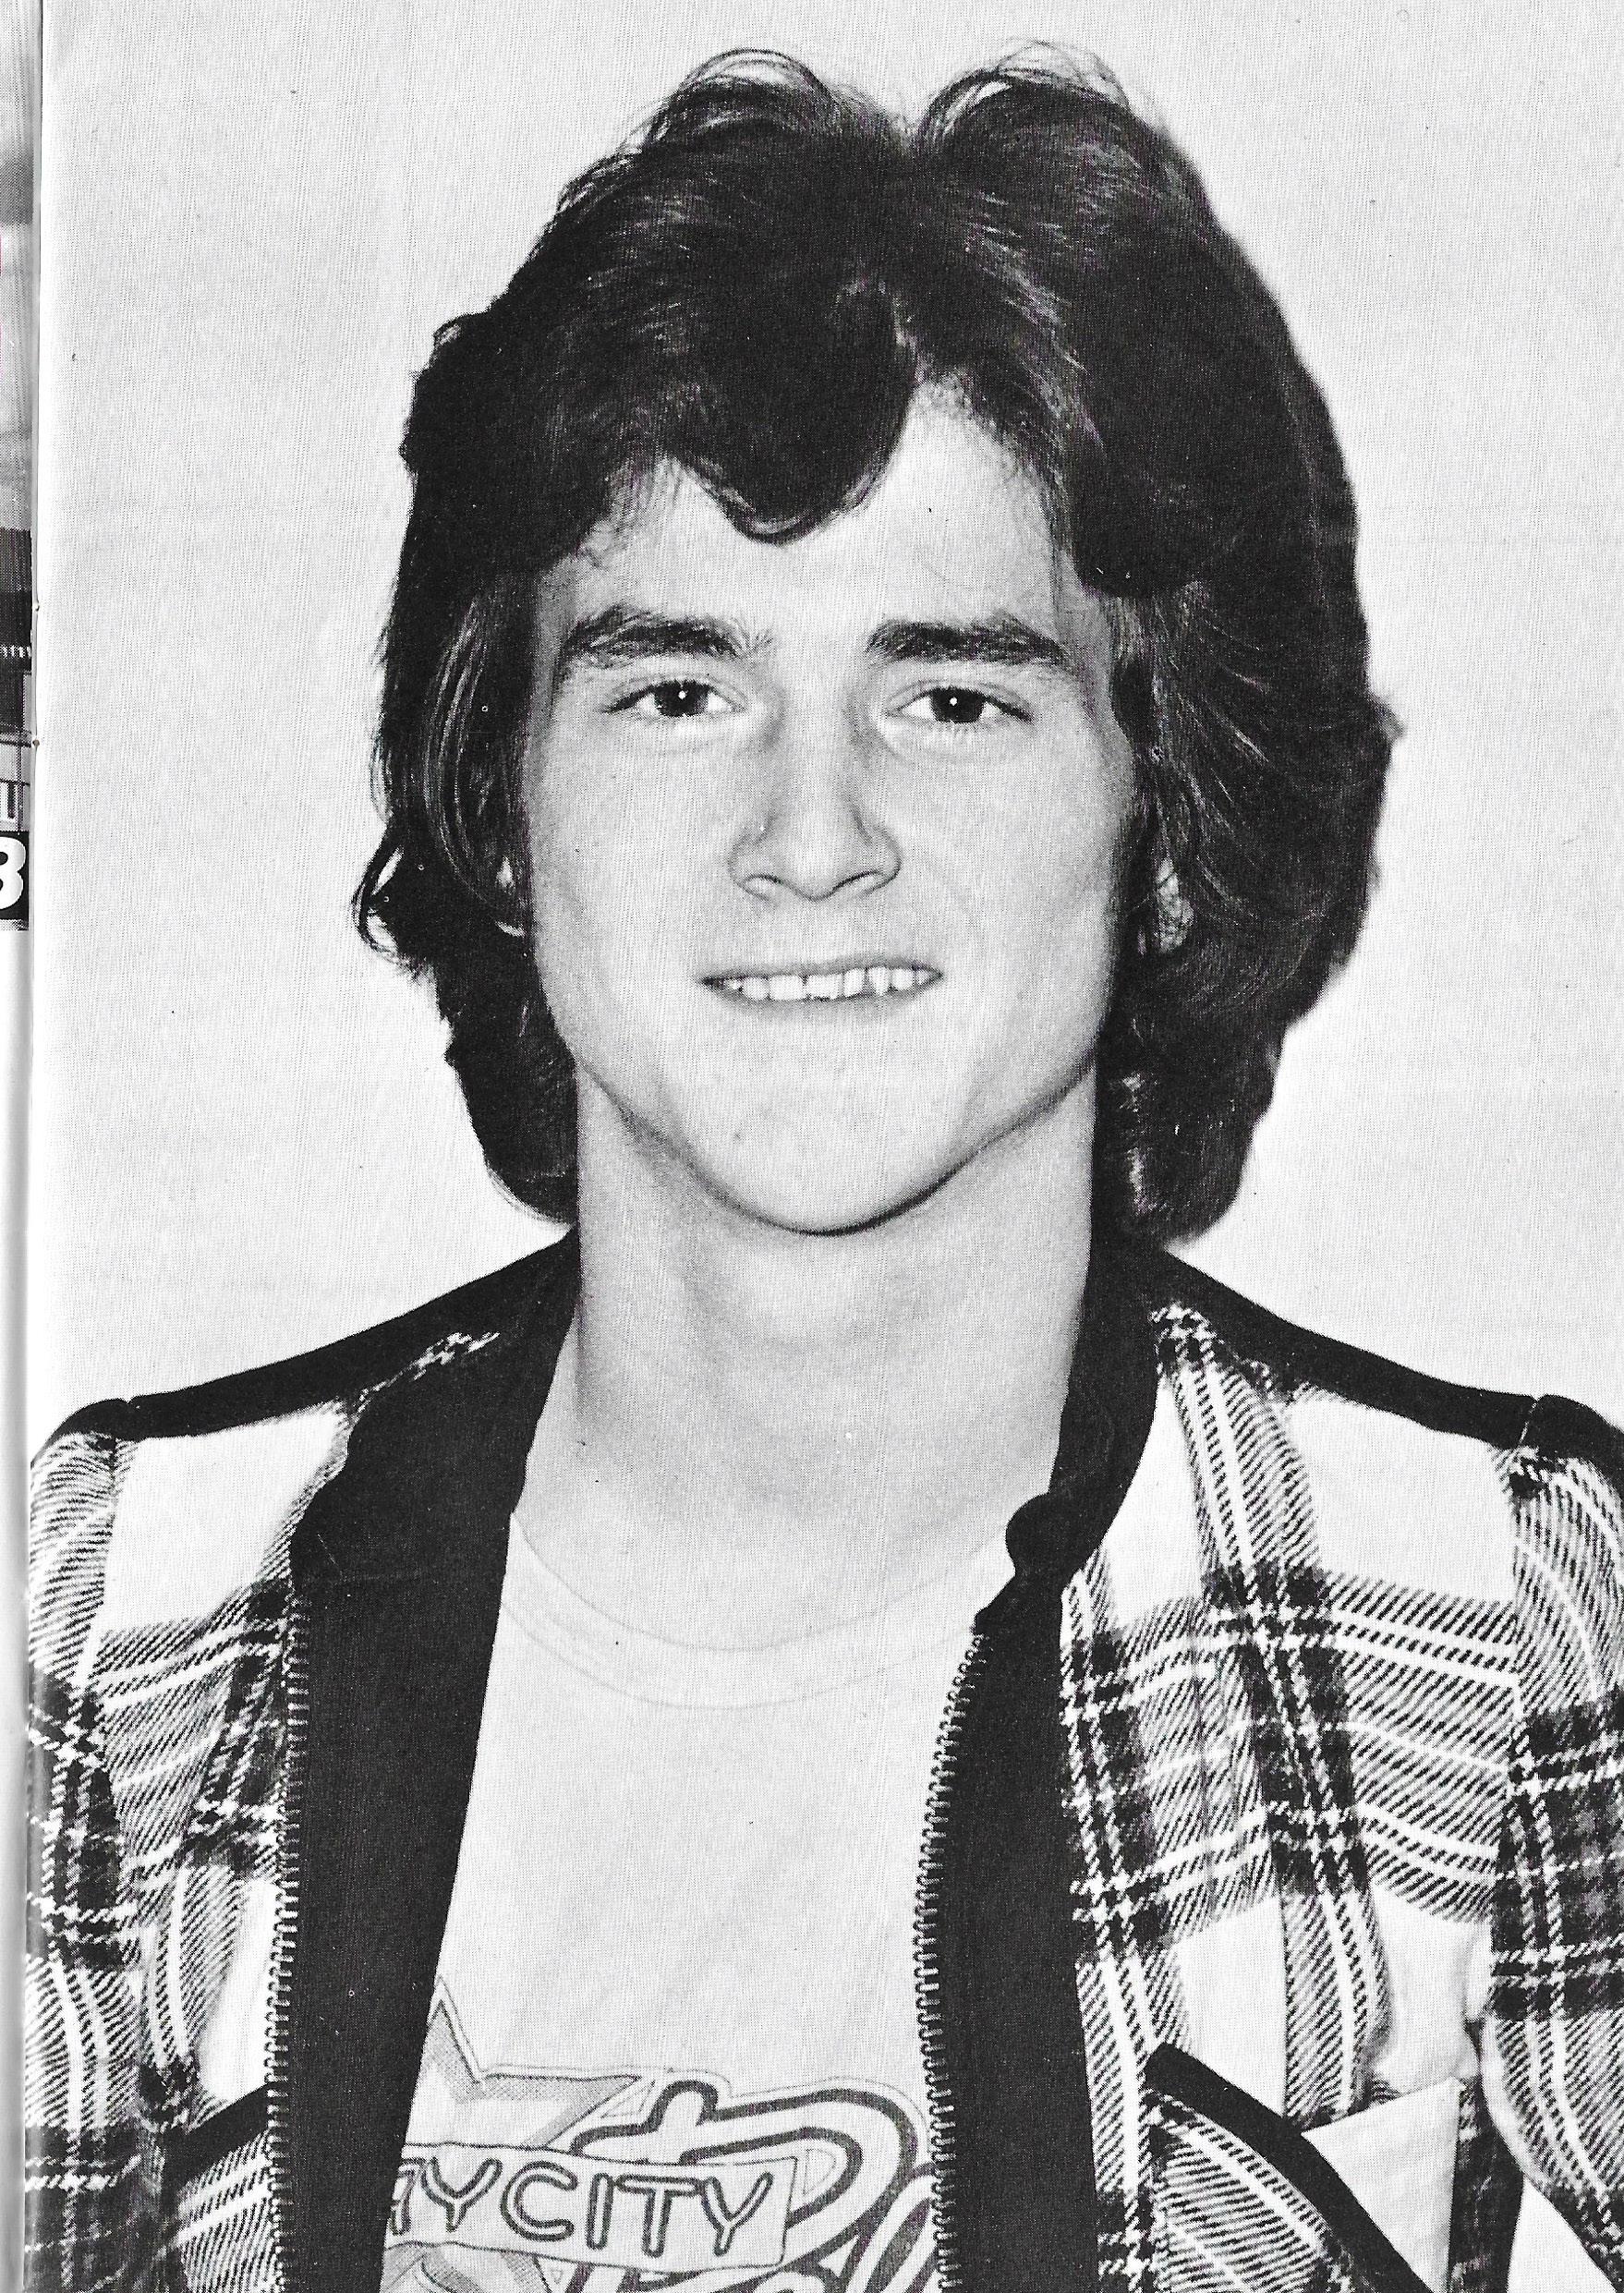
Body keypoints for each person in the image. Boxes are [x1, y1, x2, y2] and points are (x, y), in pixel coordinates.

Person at [25, 49, 1624, 2293]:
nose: (809, 833)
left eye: (951, 696)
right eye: (676, 690)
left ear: (1165, 821)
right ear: (505, 804)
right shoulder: (132, 1621)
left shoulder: (1489, 1618)